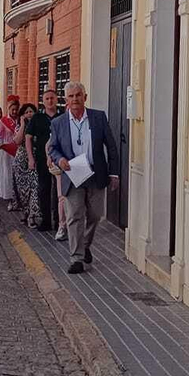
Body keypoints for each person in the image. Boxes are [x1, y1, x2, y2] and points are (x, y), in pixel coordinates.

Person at [48, 81, 122, 274]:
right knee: (74, 216)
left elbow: (111, 146)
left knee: (96, 215)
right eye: (71, 96)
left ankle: (85, 244)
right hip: (72, 175)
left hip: (96, 174)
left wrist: (114, 173)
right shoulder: (58, 123)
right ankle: (76, 258)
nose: (75, 99)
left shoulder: (98, 117)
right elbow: (52, 148)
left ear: (85, 97)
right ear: (66, 100)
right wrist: (60, 159)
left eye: (78, 95)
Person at [26, 88, 59, 234]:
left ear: (57, 99)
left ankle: (59, 222)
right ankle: (46, 220)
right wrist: (31, 158)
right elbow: (28, 138)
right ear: (43, 101)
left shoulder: (63, 117)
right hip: (41, 159)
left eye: (52, 98)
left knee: (60, 192)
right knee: (44, 189)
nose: (50, 101)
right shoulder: (37, 118)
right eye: (47, 99)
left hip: (59, 159)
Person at [13, 102, 39, 225]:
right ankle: (25, 212)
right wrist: (23, 124)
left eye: (31, 111)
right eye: (27, 112)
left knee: (34, 187)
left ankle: (32, 216)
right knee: (22, 190)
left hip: (34, 160)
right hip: (21, 161)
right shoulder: (19, 126)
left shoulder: (40, 125)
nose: (29, 114)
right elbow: (17, 141)